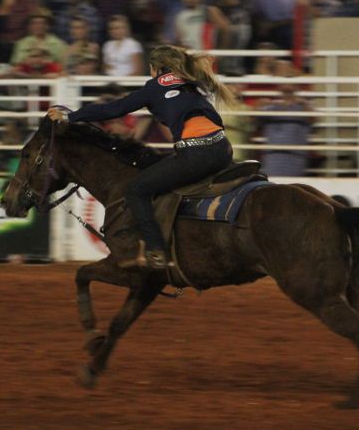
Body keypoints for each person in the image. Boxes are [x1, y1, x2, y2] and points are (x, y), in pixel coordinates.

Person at [47, 45, 237, 270]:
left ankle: (156, 250)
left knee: (136, 189)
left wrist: (70, 117)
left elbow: (114, 108)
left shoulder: (153, 87)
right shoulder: (191, 80)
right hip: (223, 149)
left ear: (154, 68)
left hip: (195, 154)